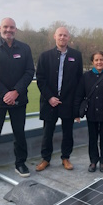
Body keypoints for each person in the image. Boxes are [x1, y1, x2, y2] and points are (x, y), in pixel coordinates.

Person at [0, 17, 35, 185]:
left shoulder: (24, 48)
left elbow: (29, 72)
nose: (9, 30)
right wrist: (5, 94)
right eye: (6, 27)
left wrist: (16, 92)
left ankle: (20, 164)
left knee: (19, 133)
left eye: (12, 27)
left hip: (19, 99)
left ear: (16, 30)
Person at [35, 27, 83, 171]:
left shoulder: (76, 55)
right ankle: (45, 159)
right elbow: (40, 79)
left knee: (68, 132)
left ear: (69, 38)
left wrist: (76, 101)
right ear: (55, 36)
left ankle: (66, 158)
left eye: (65, 35)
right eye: (60, 35)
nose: (62, 37)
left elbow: (79, 79)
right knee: (47, 132)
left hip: (68, 101)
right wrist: (49, 97)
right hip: (49, 101)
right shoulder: (45, 56)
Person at [74, 51, 103, 172]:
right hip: (91, 113)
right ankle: (93, 161)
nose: (99, 62)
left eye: (101, 60)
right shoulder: (86, 76)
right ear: (92, 62)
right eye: (96, 60)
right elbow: (79, 95)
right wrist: (77, 113)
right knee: (92, 138)